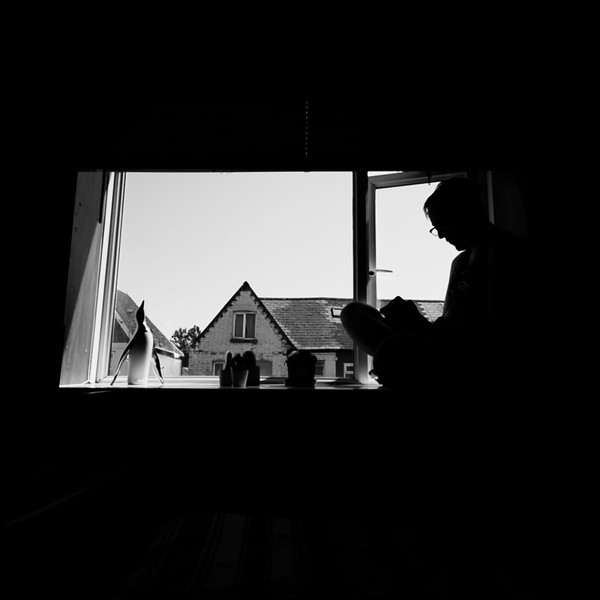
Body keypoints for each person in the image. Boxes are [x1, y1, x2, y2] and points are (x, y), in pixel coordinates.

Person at [341, 177, 533, 388]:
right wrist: (418, 324)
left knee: (391, 349)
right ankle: (400, 366)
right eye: (436, 228)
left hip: (471, 356)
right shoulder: (459, 263)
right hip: (445, 342)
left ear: (464, 214)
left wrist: (423, 329)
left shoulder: (504, 252)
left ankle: (400, 367)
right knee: (354, 314)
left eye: (441, 225)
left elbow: (496, 335)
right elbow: (448, 322)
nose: (441, 235)